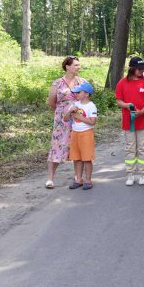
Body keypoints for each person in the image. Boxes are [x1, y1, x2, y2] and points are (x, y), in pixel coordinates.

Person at [45, 56, 86, 188]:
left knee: (77, 146)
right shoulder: (57, 83)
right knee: (57, 145)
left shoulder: (82, 82)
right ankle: (50, 178)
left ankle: (77, 176)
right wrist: (63, 111)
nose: (78, 67)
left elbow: (87, 100)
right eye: (75, 65)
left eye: (79, 65)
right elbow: (51, 101)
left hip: (78, 118)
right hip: (62, 120)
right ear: (67, 67)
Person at [116, 57, 144, 186]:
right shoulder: (122, 83)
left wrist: (142, 111)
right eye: (139, 69)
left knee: (143, 149)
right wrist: (126, 105)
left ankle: (143, 174)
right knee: (130, 148)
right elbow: (118, 101)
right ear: (131, 68)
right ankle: (130, 174)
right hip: (129, 122)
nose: (141, 71)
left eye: (143, 69)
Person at [63, 83, 97, 190]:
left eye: (79, 92)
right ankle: (78, 179)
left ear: (86, 94)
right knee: (76, 158)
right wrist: (70, 111)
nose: (76, 94)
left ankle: (88, 180)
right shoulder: (75, 104)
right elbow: (65, 119)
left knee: (86, 158)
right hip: (75, 133)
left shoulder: (91, 106)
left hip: (86, 133)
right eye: (75, 92)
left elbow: (92, 122)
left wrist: (78, 116)